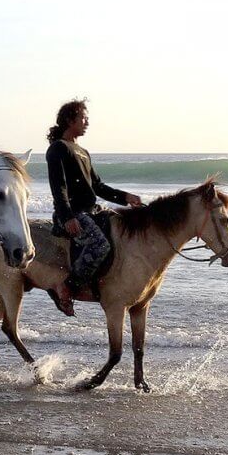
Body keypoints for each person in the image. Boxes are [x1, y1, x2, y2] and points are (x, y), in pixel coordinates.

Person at [45, 99, 142, 316]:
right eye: (83, 118)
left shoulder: (82, 152)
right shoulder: (58, 149)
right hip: (72, 214)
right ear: (70, 120)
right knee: (100, 245)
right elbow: (58, 187)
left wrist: (126, 197)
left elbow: (97, 186)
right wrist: (67, 216)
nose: (87, 122)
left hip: (91, 211)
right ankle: (68, 286)